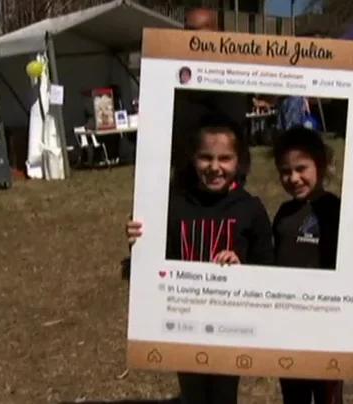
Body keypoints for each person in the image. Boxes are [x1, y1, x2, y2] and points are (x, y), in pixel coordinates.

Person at [125, 112, 274, 404]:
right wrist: (138, 240)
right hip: (184, 321)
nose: (215, 167)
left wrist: (242, 267)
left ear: (239, 161)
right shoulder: (172, 205)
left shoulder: (250, 209)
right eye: (206, 157)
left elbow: (267, 265)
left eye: (225, 158)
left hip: (231, 324)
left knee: (223, 394)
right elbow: (154, 259)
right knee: (192, 393)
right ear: (193, 159)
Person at [271, 126, 353, 404]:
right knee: (293, 394)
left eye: (301, 168)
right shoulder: (283, 214)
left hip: (328, 323)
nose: (294, 178)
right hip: (289, 325)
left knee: (328, 395)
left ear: (320, 166)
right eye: (286, 171)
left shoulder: (337, 209)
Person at [173, 8, 251, 186]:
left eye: (196, 31)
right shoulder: (178, 70)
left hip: (224, 178)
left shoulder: (231, 74)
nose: (190, 37)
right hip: (185, 175)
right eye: (186, 31)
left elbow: (237, 132)